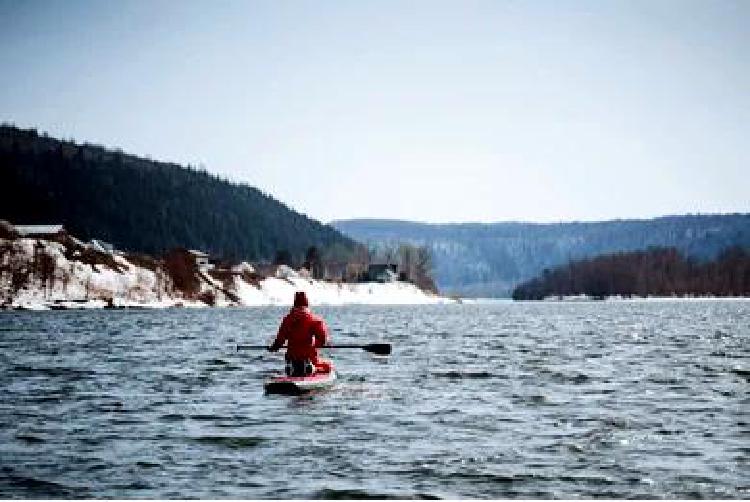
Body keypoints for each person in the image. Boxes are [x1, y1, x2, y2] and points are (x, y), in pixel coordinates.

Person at [268, 291, 333, 376]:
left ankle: (293, 368)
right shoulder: (314, 320)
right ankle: (312, 368)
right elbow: (323, 339)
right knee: (328, 367)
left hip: (292, 357)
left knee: (294, 360)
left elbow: (280, 339)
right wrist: (317, 344)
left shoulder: (287, 319)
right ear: (307, 304)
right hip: (308, 356)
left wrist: (274, 347)